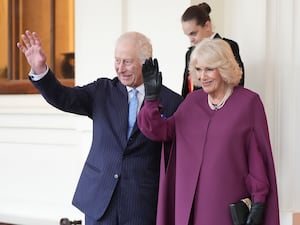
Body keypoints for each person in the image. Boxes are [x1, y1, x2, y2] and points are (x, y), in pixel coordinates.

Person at [17, 30, 183, 225]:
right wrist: (40, 69)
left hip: (142, 204)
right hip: (100, 201)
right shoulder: (102, 91)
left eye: (127, 61)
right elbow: (63, 97)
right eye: (117, 60)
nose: (120, 68)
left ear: (146, 63)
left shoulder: (172, 102)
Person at [138, 38, 280, 225]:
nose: (202, 76)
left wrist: (259, 202)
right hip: (188, 205)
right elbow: (160, 131)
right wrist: (151, 99)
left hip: (224, 206)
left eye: (209, 69)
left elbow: (257, 157)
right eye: (198, 69)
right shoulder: (191, 102)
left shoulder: (248, 103)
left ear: (224, 68)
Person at [181, 2, 245, 98]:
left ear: (207, 26)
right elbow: (187, 91)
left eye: (193, 33)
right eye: (188, 35)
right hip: (195, 109)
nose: (191, 39)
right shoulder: (190, 54)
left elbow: (236, 84)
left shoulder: (228, 46)